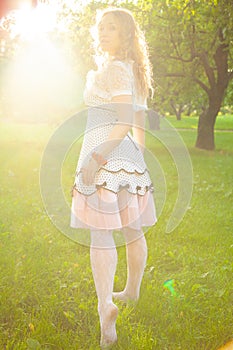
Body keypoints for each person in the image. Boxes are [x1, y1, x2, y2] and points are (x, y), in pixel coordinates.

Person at [70, 7, 156, 348]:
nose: (105, 33)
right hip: (127, 160)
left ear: (126, 36)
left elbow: (123, 121)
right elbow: (139, 121)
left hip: (105, 155)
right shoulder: (131, 70)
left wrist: (97, 158)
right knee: (132, 229)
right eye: (102, 27)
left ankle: (106, 305)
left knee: (101, 233)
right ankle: (131, 291)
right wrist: (141, 157)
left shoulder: (116, 70)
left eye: (113, 29)